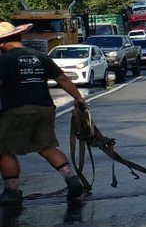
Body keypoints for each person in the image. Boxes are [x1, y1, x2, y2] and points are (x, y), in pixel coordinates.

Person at [0, 20, 88, 207]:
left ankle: (12, 191)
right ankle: (72, 180)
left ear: (2, 43)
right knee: (47, 147)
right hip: (45, 108)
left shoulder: (4, 60)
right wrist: (79, 98)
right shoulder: (40, 56)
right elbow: (62, 78)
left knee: (5, 150)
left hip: (17, 110)